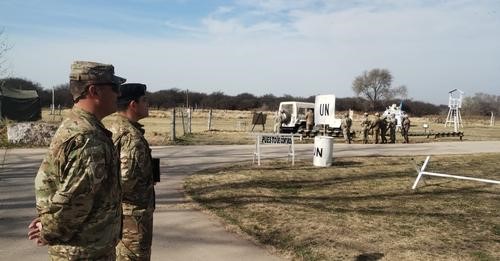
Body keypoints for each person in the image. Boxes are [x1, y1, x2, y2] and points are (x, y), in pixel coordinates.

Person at [28, 61, 125, 260]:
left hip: (86, 248)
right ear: (94, 91)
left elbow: (46, 180)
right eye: (115, 88)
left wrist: (47, 220)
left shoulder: (75, 125)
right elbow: (75, 201)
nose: (119, 94)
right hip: (85, 252)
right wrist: (49, 229)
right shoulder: (88, 137)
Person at [109, 83, 156, 260]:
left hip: (122, 215)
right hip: (133, 217)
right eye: (144, 100)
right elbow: (125, 180)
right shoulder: (131, 137)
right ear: (133, 105)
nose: (148, 104)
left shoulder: (114, 128)